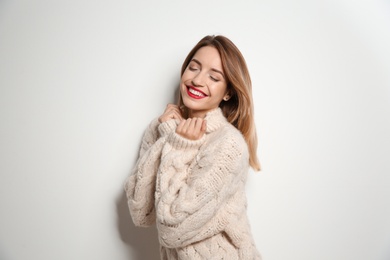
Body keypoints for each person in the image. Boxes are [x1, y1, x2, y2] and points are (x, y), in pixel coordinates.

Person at [124, 35, 261, 259]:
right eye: (193, 68)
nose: (197, 80)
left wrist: (180, 146)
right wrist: (168, 135)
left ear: (228, 92)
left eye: (214, 77)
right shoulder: (162, 128)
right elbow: (141, 214)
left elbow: (172, 229)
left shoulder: (229, 144)